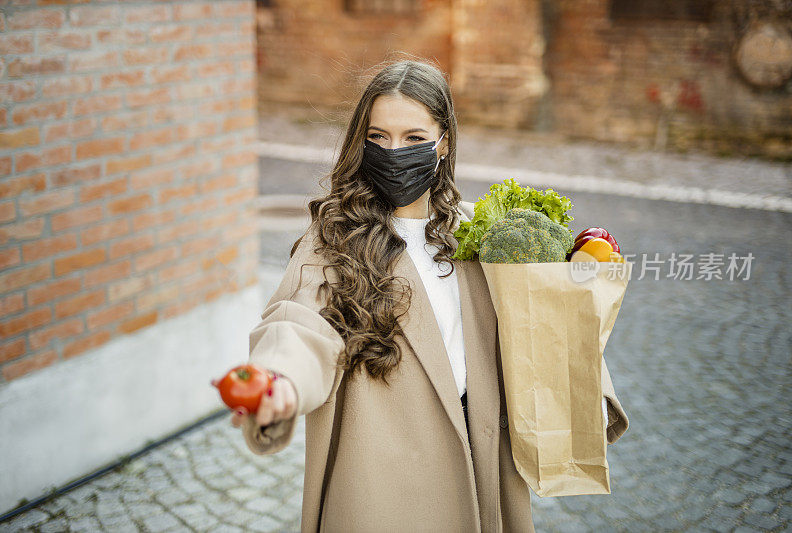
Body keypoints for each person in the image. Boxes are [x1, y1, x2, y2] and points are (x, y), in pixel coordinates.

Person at [226, 58, 630, 532]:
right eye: (378, 137)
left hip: (482, 465)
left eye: (413, 139)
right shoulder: (333, 238)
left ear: (443, 143)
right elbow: (298, 322)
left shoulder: (479, 234)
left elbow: (542, 329)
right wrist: (281, 381)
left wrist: (580, 306)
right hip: (380, 478)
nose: (394, 152)